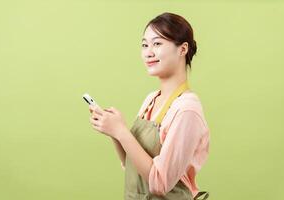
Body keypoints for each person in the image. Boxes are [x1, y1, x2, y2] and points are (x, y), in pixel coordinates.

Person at [89, 12, 210, 200]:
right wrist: (114, 131)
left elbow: (159, 183)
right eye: (145, 45)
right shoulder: (151, 99)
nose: (148, 52)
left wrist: (121, 131)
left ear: (182, 49)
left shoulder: (186, 109)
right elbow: (130, 164)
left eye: (157, 44)